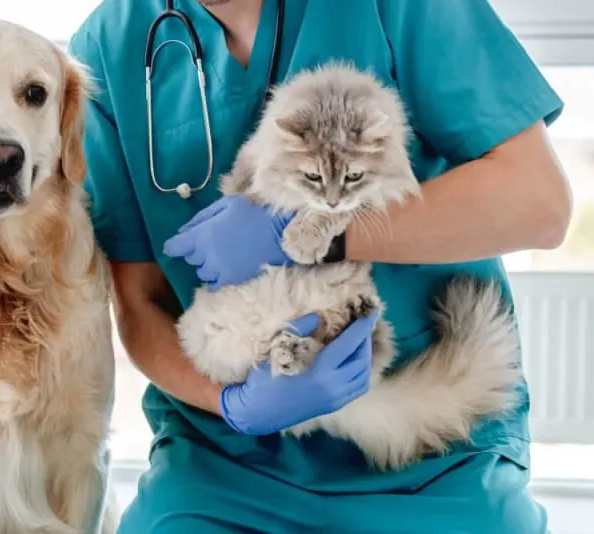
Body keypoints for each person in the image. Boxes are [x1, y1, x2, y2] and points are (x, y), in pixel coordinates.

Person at [68, 1, 573, 532]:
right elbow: (138, 303)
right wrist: (236, 404)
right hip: (224, 460)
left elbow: (539, 203)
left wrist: (320, 236)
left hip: (436, 453)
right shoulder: (112, 44)